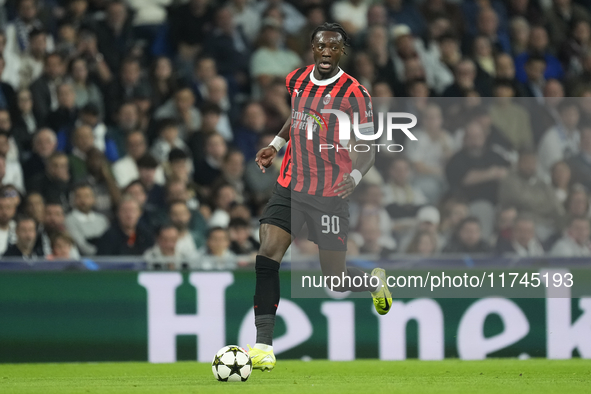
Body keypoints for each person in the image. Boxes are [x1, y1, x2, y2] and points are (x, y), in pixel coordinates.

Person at [249, 23, 391, 371]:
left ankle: (373, 282)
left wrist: (355, 176)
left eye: (333, 47)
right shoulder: (296, 79)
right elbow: (296, 116)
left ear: (343, 52)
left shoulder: (355, 94)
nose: (326, 52)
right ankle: (263, 346)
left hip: (328, 193)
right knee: (268, 254)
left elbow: (368, 146)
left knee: (336, 279)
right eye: (320, 46)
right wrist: (275, 145)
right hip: (290, 185)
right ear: (312, 48)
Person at [65, 184, 109, 256]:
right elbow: (80, 245)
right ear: (74, 200)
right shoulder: (69, 220)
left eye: (87, 196)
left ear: (93, 199)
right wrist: (100, 253)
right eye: (79, 196)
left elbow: (108, 241)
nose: (83, 200)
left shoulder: (102, 219)